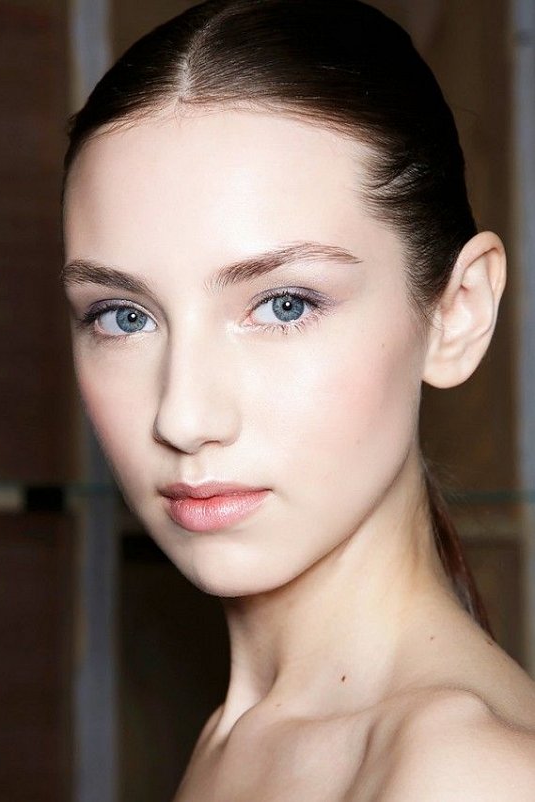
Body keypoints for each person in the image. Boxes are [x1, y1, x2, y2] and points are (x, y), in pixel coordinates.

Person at [61, 0, 535, 798]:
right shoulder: (243, 736)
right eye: (123, 316)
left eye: (284, 305)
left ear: (457, 314)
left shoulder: (466, 773)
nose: (183, 417)